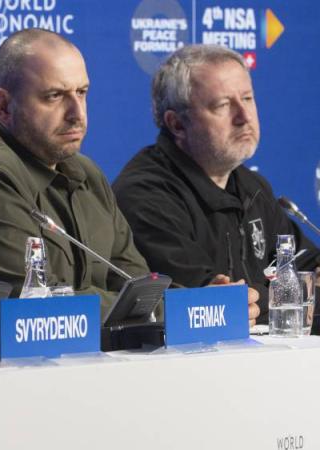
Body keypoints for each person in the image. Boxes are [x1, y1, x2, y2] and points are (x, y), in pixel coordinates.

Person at [0, 29, 150, 316]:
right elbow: (40, 310)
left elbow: (141, 289)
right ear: (3, 106)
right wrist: (133, 306)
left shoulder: (87, 174)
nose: (77, 114)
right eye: (54, 96)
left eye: (81, 92)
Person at [113, 44, 318, 325]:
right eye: (223, 105)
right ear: (177, 124)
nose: (244, 117)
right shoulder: (145, 195)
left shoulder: (252, 186)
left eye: (247, 98)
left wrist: (304, 281)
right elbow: (208, 302)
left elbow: (304, 266)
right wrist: (287, 296)